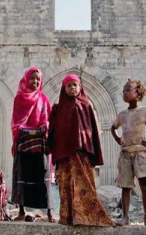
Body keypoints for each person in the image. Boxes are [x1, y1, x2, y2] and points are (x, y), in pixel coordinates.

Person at [48, 74, 114, 227]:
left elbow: (92, 132)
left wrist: (93, 152)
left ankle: (87, 217)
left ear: (80, 87)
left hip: (82, 153)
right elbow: (53, 130)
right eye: (69, 85)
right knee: (66, 185)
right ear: (64, 89)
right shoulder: (58, 108)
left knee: (85, 185)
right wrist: (52, 148)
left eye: (75, 85)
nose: (72, 88)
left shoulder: (86, 106)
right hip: (65, 155)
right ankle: (68, 217)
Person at [111, 79, 146, 227]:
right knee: (125, 186)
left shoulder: (145, 111)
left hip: (141, 153)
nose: (124, 92)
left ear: (138, 93)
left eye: (128, 90)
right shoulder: (122, 115)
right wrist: (118, 139)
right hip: (126, 153)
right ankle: (125, 217)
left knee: (144, 185)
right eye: (123, 90)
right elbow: (112, 128)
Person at [10, 67, 56, 223]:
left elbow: (47, 119)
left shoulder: (43, 99)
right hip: (24, 143)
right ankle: (21, 212)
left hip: (40, 144)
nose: (35, 81)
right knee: (22, 176)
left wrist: (43, 127)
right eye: (32, 78)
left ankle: (50, 213)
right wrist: (25, 130)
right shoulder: (19, 98)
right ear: (26, 80)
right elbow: (16, 122)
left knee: (43, 177)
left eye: (38, 79)